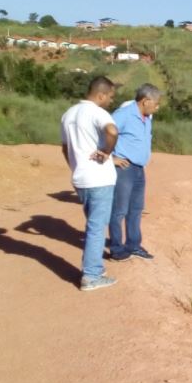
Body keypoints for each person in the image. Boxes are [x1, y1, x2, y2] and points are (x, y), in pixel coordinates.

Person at [61, 76, 119, 291]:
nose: (111, 100)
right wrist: (106, 152)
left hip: (81, 178)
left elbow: (64, 148)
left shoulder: (68, 114)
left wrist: (76, 167)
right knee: (96, 227)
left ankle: (94, 268)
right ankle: (92, 275)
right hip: (99, 178)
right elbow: (113, 131)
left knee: (93, 224)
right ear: (101, 95)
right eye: (110, 96)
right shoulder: (97, 112)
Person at [108, 83, 161, 262]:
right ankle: (116, 248)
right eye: (156, 103)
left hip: (139, 169)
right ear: (145, 101)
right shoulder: (123, 115)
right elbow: (104, 133)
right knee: (119, 210)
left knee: (136, 209)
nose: (157, 107)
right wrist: (110, 158)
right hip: (124, 168)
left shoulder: (147, 117)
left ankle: (133, 245)